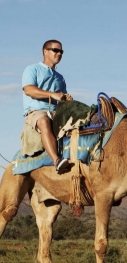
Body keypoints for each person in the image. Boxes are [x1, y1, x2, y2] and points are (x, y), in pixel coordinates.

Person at [22, 39, 72, 173]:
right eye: (55, 50)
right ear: (45, 51)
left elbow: (62, 99)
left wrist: (66, 99)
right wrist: (52, 94)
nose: (59, 54)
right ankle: (56, 160)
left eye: (61, 51)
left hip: (56, 112)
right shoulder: (32, 69)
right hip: (37, 112)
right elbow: (28, 90)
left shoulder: (60, 78)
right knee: (44, 121)